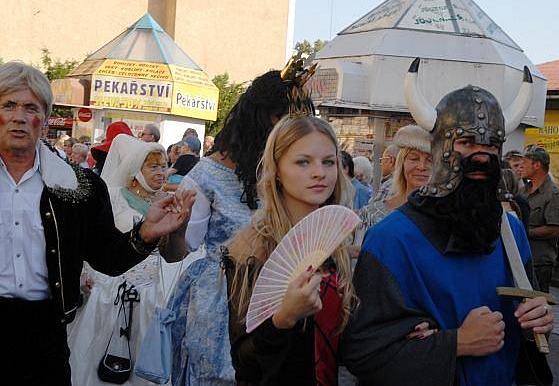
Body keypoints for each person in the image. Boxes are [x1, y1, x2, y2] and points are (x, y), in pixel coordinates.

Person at [341, 60, 554, 385]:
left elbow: (526, 323)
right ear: (441, 149)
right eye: (467, 143)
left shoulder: (512, 232)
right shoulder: (391, 239)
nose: (481, 156)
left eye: (491, 145)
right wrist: (457, 343)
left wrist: (538, 322)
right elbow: (363, 352)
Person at [0, 62, 195, 385]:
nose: (19, 116)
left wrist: (145, 232)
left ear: (45, 118)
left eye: (30, 107)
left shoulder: (78, 186)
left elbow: (108, 256)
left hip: (46, 333)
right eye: (8, 105)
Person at [160, 67, 293, 385]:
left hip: (285, 296)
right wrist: (174, 230)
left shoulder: (294, 172)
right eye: (280, 115)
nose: (289, 125)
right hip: (224, 304)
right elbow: (177, 252)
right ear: (259, 117)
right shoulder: (207, 174)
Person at [222, 115, 355, 385]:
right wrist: (284, 318)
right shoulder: (252, 249)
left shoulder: (337, 244)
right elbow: (244, 362)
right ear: (277, 170)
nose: (320, 172)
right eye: (303, 162)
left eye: (328, 162)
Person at [68, 134, 186, 385]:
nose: (161, 173)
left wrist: (177, 230)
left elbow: (172, 255)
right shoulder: (113, 196)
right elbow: (92, 240)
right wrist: (82, 274)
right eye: (153, 166)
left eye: (164, 166)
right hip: (108, 294)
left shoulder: (164, 203)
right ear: (136, 170)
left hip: (148, 297)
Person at [354, 124, 431, 247]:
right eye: (414, 159)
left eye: (430, 160)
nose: (422, 167)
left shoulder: (447, 217)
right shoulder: (373, 214)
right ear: (402, 164)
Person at [520, 144, 559, 293]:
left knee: (537, 305)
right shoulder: (523, 191)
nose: (521, 166)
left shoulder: (553, 194)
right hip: (521, 259)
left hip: (538, 262)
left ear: (536, 165)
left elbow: (555, 230)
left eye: (525, 163)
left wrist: (523, 232)